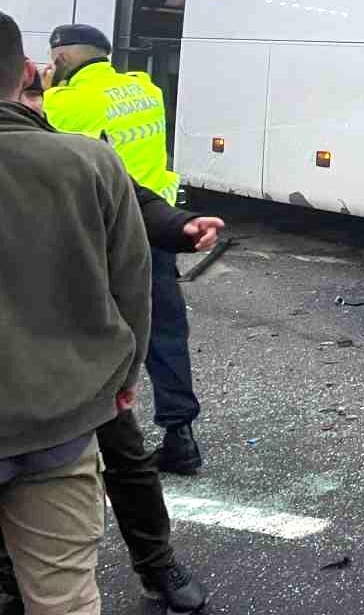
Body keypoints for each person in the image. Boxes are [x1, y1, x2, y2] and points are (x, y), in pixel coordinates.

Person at [0, 63, 217, 615]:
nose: (37, 101)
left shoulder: (67, 146)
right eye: (31, 90)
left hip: (72, 356)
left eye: (38, 93)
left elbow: (128, 197)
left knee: (125, 456)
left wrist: (177, 225)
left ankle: (156, 563)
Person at [0, 12, 150, 615]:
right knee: (64, 600)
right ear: (29, 73)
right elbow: (133, 291)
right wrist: (123, 381)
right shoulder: (89, 164)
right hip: (57, 427)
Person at [43, 24, 203, 474]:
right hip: (157, 225)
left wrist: (49, 86)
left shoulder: (66, 102)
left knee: (87, 332)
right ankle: (180, 437)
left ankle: (80, 440)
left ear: (61, 59)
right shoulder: (144, 88)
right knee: (164, 332)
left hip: (103, 232)